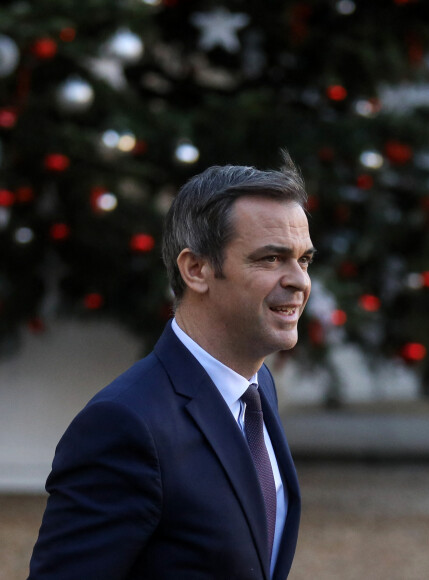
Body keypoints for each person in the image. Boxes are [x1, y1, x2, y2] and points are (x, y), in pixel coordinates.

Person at [28, 153, 315, 580]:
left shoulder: (258, 389)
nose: (299, 281)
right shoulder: (124, 424)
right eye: (270, 259)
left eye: (304, 260)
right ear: (196, 269)